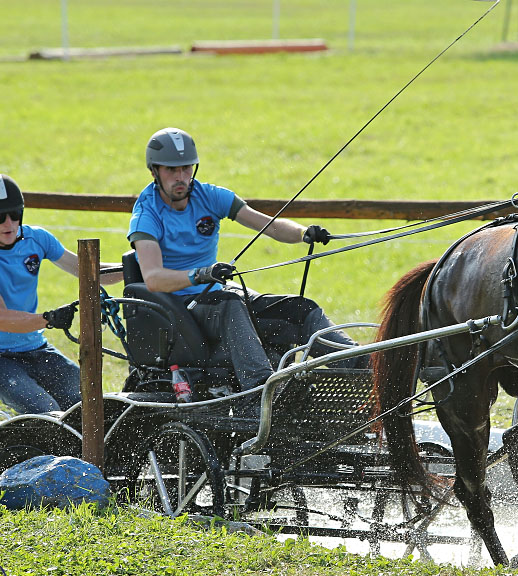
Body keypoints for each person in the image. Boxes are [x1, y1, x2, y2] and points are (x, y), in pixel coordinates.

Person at [127, 127, 364, 400]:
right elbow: (154, 278)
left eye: (186, 168)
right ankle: (263, 393)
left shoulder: (211, 196)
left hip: (217, 297)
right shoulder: (146, 214)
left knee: (299, 309)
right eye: (171, 170)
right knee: (231, 304)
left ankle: (359, 365)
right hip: (181, 310)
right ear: (154, 171)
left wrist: (302, 234)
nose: (180, 177)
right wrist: (200, 274)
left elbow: (271, 227)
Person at [0, 173, 124, 414]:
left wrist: (132, 266)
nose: (9, 223)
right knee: (47, 412)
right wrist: (49, 319)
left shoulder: (38, 239)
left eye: (15, 214)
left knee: (88, 404)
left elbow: (87, 272)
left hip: (35, 348)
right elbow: (0, 318)